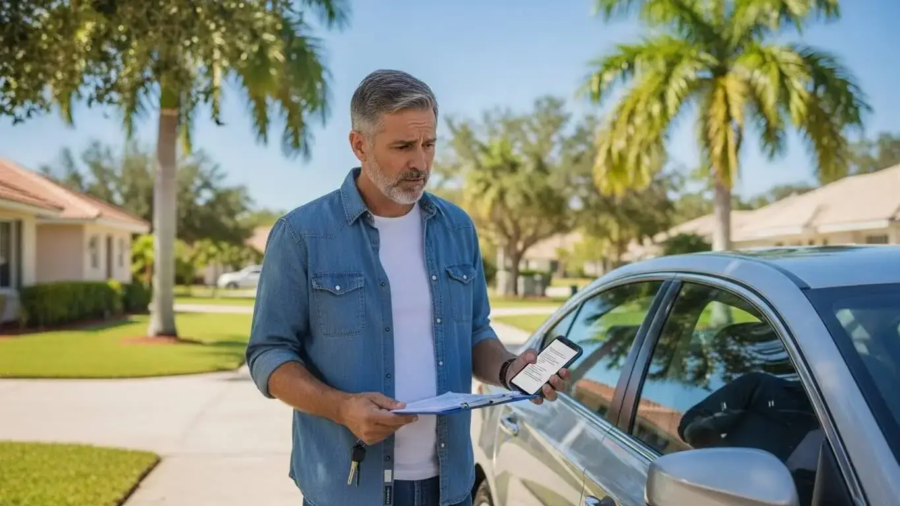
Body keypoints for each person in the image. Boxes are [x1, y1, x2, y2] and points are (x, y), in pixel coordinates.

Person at [246, 69, 570, 506]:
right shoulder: (301, 235)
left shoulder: (457, 228)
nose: (420, 162)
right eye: (402, 147)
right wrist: (342, 408)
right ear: (359, 144)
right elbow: (269, 353)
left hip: (449, 488)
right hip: (347, 490)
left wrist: (510, 370)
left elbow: (475, 331)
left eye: (429, 144)